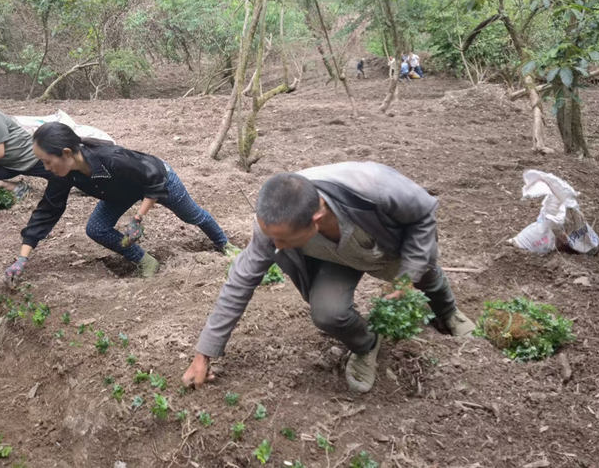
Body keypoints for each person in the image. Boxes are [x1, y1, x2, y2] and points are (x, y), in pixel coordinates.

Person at [182, 162, 476, 394]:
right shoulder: (273, 226)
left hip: (380, 241)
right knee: (328, 313)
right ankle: (367, 345)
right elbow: (240, 281)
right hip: (333, 257)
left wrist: (406, 277)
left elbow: (423, 215)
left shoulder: (373, 186)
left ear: (316, 220)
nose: (276, 248)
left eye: (284, 241)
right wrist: (204, 353)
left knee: (423, 271)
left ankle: (448, 312)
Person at [4, 122, 233, 284]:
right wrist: (22, 259)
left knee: (192, 215)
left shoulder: (110, 158)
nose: (45, 168)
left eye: (47, 161)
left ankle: (225, 245)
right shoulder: (64, 174)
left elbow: (152, 179)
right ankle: (146, 262)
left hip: (158, 179)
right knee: (96, 229)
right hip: (120, 192)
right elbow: (47, 211)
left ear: (66, 153)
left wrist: (137, 218)